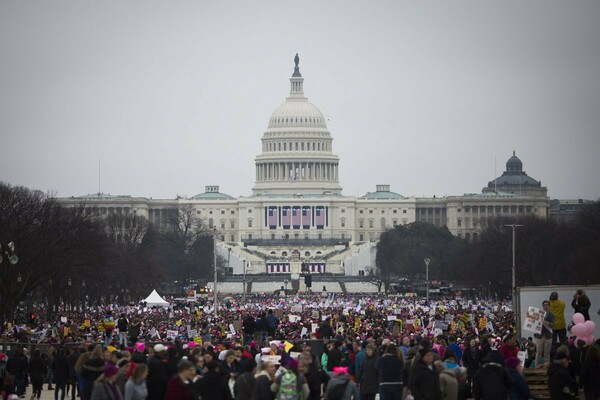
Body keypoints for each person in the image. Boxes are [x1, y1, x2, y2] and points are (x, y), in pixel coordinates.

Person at [535, 300, 555, 368]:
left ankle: (547, 366)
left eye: (547, 305)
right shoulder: (539, 313)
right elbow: (534, 323)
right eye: (544, 305)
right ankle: (537, 366)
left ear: (549, 306)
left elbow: (553, 324)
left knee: (547, 352)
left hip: (548, 336)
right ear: (542, 306)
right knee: (538, 352)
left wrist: (547, 322)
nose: (546, 306)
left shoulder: (552, 315)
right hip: (539, 335)